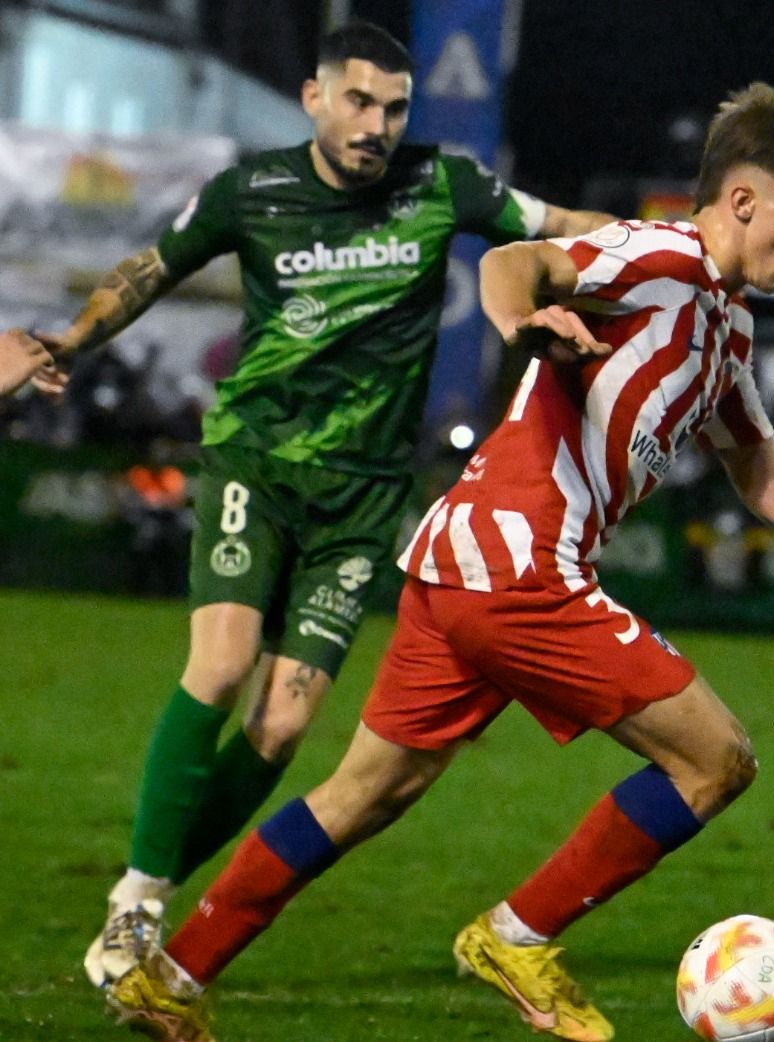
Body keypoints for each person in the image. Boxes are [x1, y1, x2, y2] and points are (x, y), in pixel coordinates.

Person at [105, 82, 774, 1042]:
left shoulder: (726, 328)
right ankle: (516, 936)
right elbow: (519, 262)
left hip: (465, 563)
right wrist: (527, 323)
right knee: (713, 759)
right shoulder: (659, 256)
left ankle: (170, 977)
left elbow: (765, 476)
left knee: (364, 794)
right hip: (517, 564)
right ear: (740, 199)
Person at [39, 21, 616, 990]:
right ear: (315, 98)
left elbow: (562, 225)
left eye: (394, 107)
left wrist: (690, 248)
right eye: (358, 102)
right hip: (257, 468)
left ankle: (153, 881)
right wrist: (71, 339)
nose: (377, 125)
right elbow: (151, 269)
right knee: (220, 666)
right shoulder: (251, 191)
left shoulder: (441, 184)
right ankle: (134, 904)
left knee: (278, 730)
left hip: (362, 500)